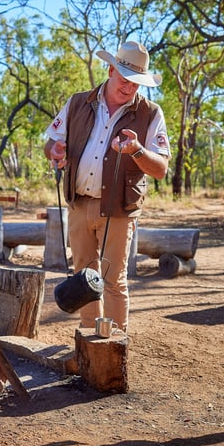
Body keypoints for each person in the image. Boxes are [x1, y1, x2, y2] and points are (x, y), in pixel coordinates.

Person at [44, 40, 170, 333]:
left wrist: (137, 150)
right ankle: (90, 341)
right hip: (79, 203)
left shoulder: (150, 113)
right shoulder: (78, 102)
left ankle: (115, 347)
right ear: (111, 69)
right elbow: (51, 142)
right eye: (125, 80)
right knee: (83, 277)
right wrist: (55, 151)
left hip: (119, 209)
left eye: (137, 84)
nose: (129, 88)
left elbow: (161, 169)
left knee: (114, 279)